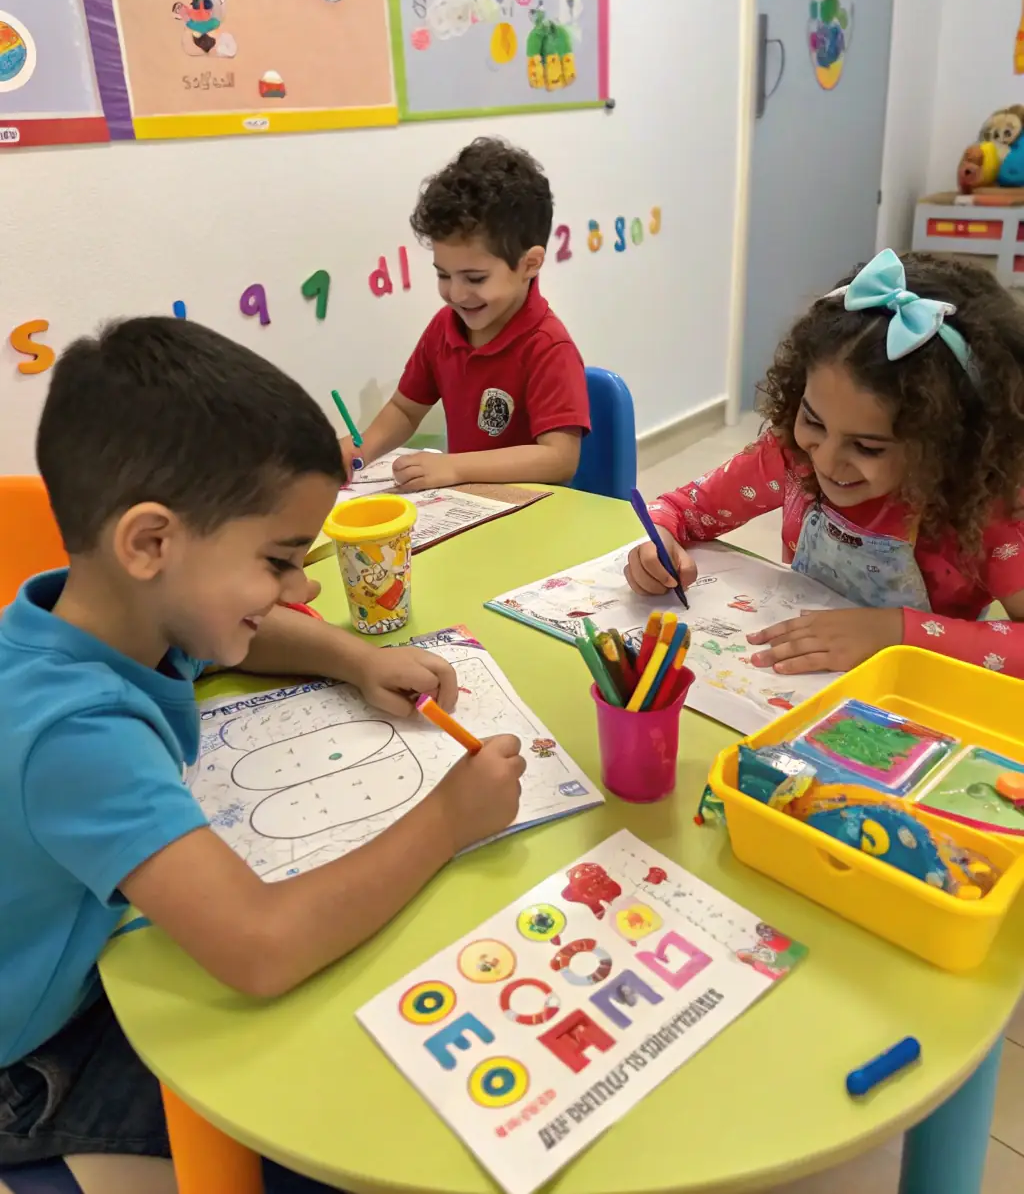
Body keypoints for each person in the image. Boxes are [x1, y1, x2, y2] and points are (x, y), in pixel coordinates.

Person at [0, 317, 525, 1170]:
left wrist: (358, 656)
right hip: (33, 1058)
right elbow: (260, 945)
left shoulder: (109, 612)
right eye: (279, 560)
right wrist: (448, 821)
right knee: (340, 1118)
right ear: (151, 542)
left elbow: (235, 637)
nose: (302, 586)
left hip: (76, 961)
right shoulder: (74, 735)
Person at [625, 250, 1024, 676]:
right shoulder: (792, 457)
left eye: (868, 447)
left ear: (950, 445)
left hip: (911, 699)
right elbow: (682, 509)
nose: (828, 461)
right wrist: (658, 540)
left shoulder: (985, 512)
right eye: (813, 420)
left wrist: (896, 633)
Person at [345, 138, 590, 491]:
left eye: (475, 278)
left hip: (532, 518)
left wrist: (455, 467)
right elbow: (405, 410)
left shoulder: (548, 347)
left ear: (529, 264)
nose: (455, 294)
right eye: (443, 274)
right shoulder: (444, 329)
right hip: (465, 509)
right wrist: (355, 451)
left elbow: (559, 458)